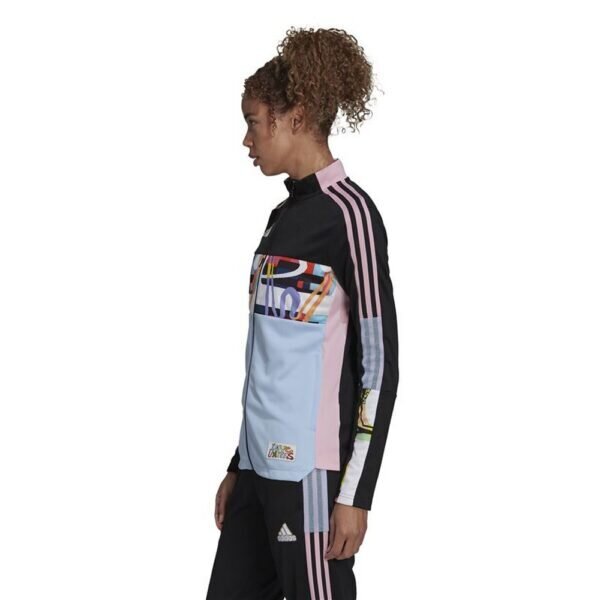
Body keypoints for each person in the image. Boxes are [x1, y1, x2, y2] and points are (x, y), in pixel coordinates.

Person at [206, 26, 399, 600]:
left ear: (294, 118)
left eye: (254, 121)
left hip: (310, 478)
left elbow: (379, 364)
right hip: (257, 473)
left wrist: (355, 494)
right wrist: (239, 464)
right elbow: (269, 359)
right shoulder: (280, 219)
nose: (246, 139)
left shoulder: (351, 216)